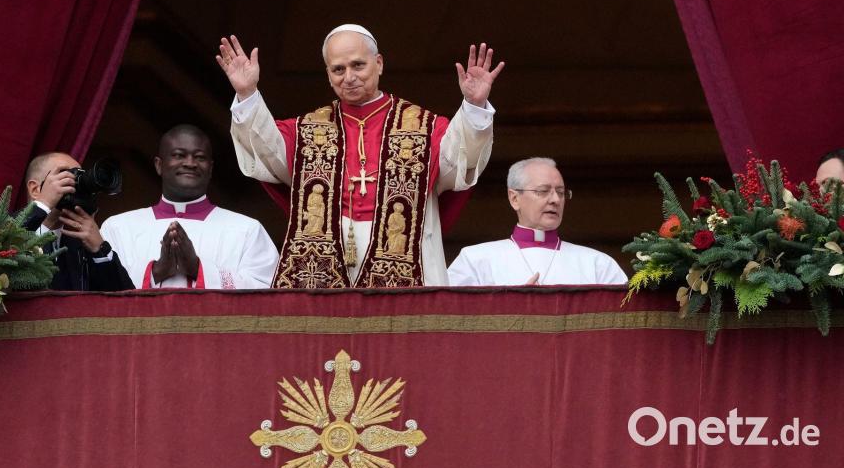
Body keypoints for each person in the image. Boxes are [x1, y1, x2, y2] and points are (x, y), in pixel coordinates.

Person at [218, 24, 504, 288]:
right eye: (338, 69)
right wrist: (248, 94)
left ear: (378, 63)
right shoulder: (307, 129)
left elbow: (459, 161)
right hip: (326, 254)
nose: (349, 77)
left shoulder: (425, 128)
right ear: (328, 75)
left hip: (405, 254)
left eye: (358, 65)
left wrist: (474, 105)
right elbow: (268, 153)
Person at [100, 125, 278, 289]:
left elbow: (266, 292)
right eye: (179, 155)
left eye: (200, 157)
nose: (190, 163)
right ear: (159, 165)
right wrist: (157, 271)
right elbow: (100, 288)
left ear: (210, 168)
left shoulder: (247, 230)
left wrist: (197, 268)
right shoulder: (118, 228)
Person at [447, 157, 627, 286]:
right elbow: (449, 322)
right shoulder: (474, 260)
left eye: (561, 192)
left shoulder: (598, 265)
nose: (555, 199)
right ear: (514, 198)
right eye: (543, 191)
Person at [24, 152, 134, 291]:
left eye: (78, 176)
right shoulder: (3, 229)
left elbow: (125, 301)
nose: (74, 184)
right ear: (35, 189)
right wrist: (43, 205)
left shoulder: (81, 244)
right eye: (65, 176)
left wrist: (99, 250)